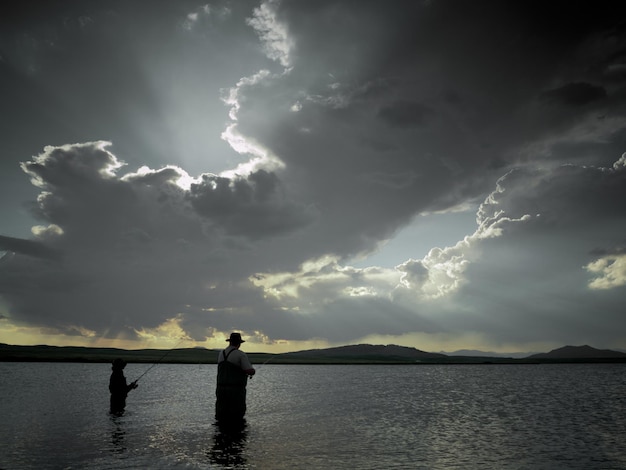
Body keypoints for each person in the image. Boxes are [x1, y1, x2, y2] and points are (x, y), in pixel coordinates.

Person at [215, 332, 256, 423]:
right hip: (235, 391)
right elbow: (249, 371)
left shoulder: (221, 353)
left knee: (221, 414)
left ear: (230, 342)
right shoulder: (240, 354)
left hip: (220, 389)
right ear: (239, 343)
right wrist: (253, 371)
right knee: (236, 415)